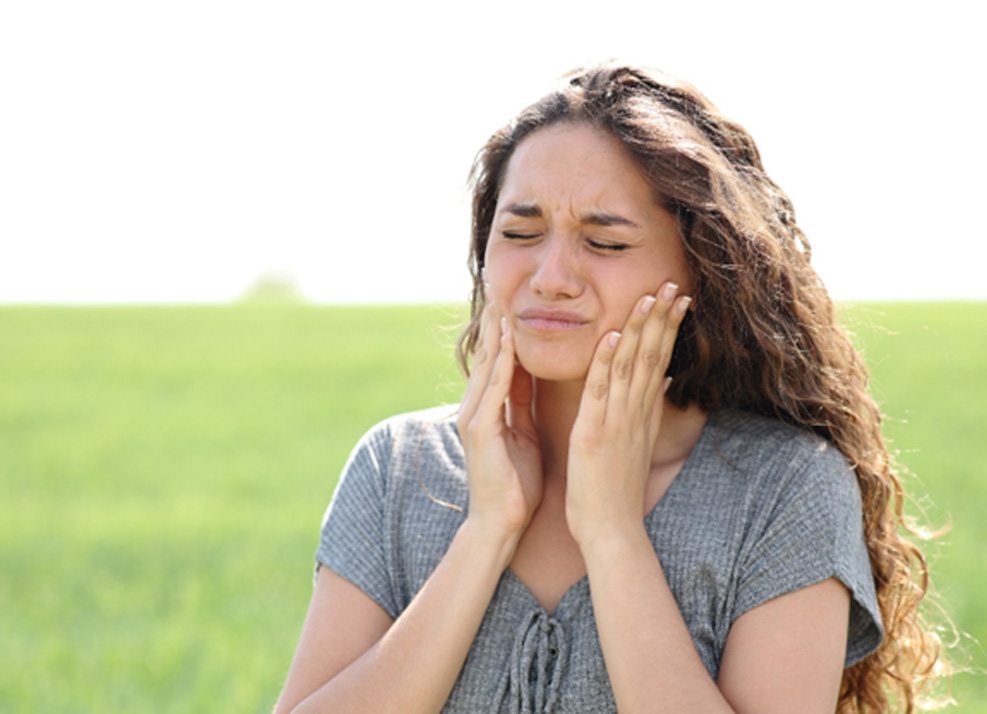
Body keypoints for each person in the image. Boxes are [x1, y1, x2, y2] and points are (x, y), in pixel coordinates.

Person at [275, 64, 943, 713]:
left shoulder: (783, 488)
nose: (551, 275)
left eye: (605, 242)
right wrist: (485, 532)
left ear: (702, 267)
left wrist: (613, 533)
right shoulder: (397, 468)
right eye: (519, 233)